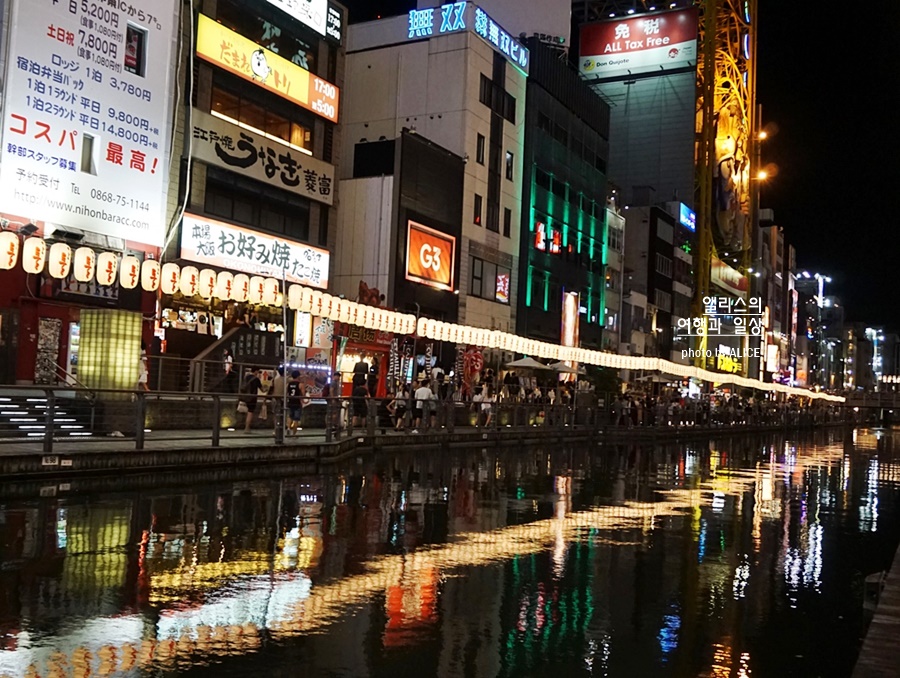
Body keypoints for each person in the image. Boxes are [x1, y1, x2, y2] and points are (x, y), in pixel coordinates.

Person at [239, 367, 264, 433]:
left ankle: (244, 426)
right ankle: (247, 428)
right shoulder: (256, 379)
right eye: (258, 372)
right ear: (255, 371)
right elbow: (262, 389)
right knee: (250, 412)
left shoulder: (246, 377)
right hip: (252, 398)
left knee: (246, 412)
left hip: (245, 397)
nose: (258, 373)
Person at [286, 370, 310, 435]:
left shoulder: (289, 384)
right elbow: (303, 394)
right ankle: (294, 434)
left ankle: (288, 428)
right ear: (298, 376)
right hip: (297, 402)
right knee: (296, 419)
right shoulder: (300, 384)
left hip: (290, 402)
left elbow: (287, 393)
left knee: (290, 416)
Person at [269, 367, 286, 434]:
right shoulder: (286, 380)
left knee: (275, 415)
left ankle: (275, 429)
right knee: (282, 414)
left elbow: (270, 388)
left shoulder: (274, 379)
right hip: (282, 398)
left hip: (274, 398)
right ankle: (281, 429)